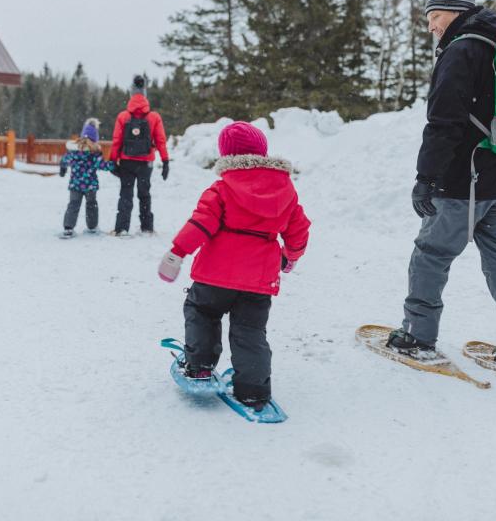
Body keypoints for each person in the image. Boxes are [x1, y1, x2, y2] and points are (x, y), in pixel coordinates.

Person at [386, 0, 496, 371]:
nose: (431, 27)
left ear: (455, 12)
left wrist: (426, 177)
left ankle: (416, 335)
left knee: (432, 253)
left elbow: (444, 121)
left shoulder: (462, 49)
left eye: (436, 17)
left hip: (465, 179)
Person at [157, 121, 311, 411]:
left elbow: (200, 224)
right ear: (263, 152)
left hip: (214, 275)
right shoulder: (285, 190)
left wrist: (177, 252)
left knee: (202, 313)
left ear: (226, 155)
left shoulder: (223, 187)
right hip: (259, 279)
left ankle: (199, 367)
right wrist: (291, 256)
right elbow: (298, 230)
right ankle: (253, 389)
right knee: (250, 330)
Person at [109, 75, 169, 236]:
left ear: (130, 95)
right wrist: (165, 161)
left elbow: (116, 140)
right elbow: (161, 140)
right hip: (145, 163)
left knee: (125, 194)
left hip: (127, 162)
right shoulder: (154, 117)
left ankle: (122, 228)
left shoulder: (123, 116)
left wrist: (112, 161)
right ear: (145, 95)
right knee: (144, 194)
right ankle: (147, 227)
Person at [59, 119, 114, 238]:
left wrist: (63, 168)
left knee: (73, 205)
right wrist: (114, 165)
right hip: (90, 185)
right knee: (91, 205)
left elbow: (64, 160)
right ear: (95, 138)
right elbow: (101, 165)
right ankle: (92, 227)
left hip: (75, 185)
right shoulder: (94, 152)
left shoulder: (73, 150)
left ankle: (68, 228)